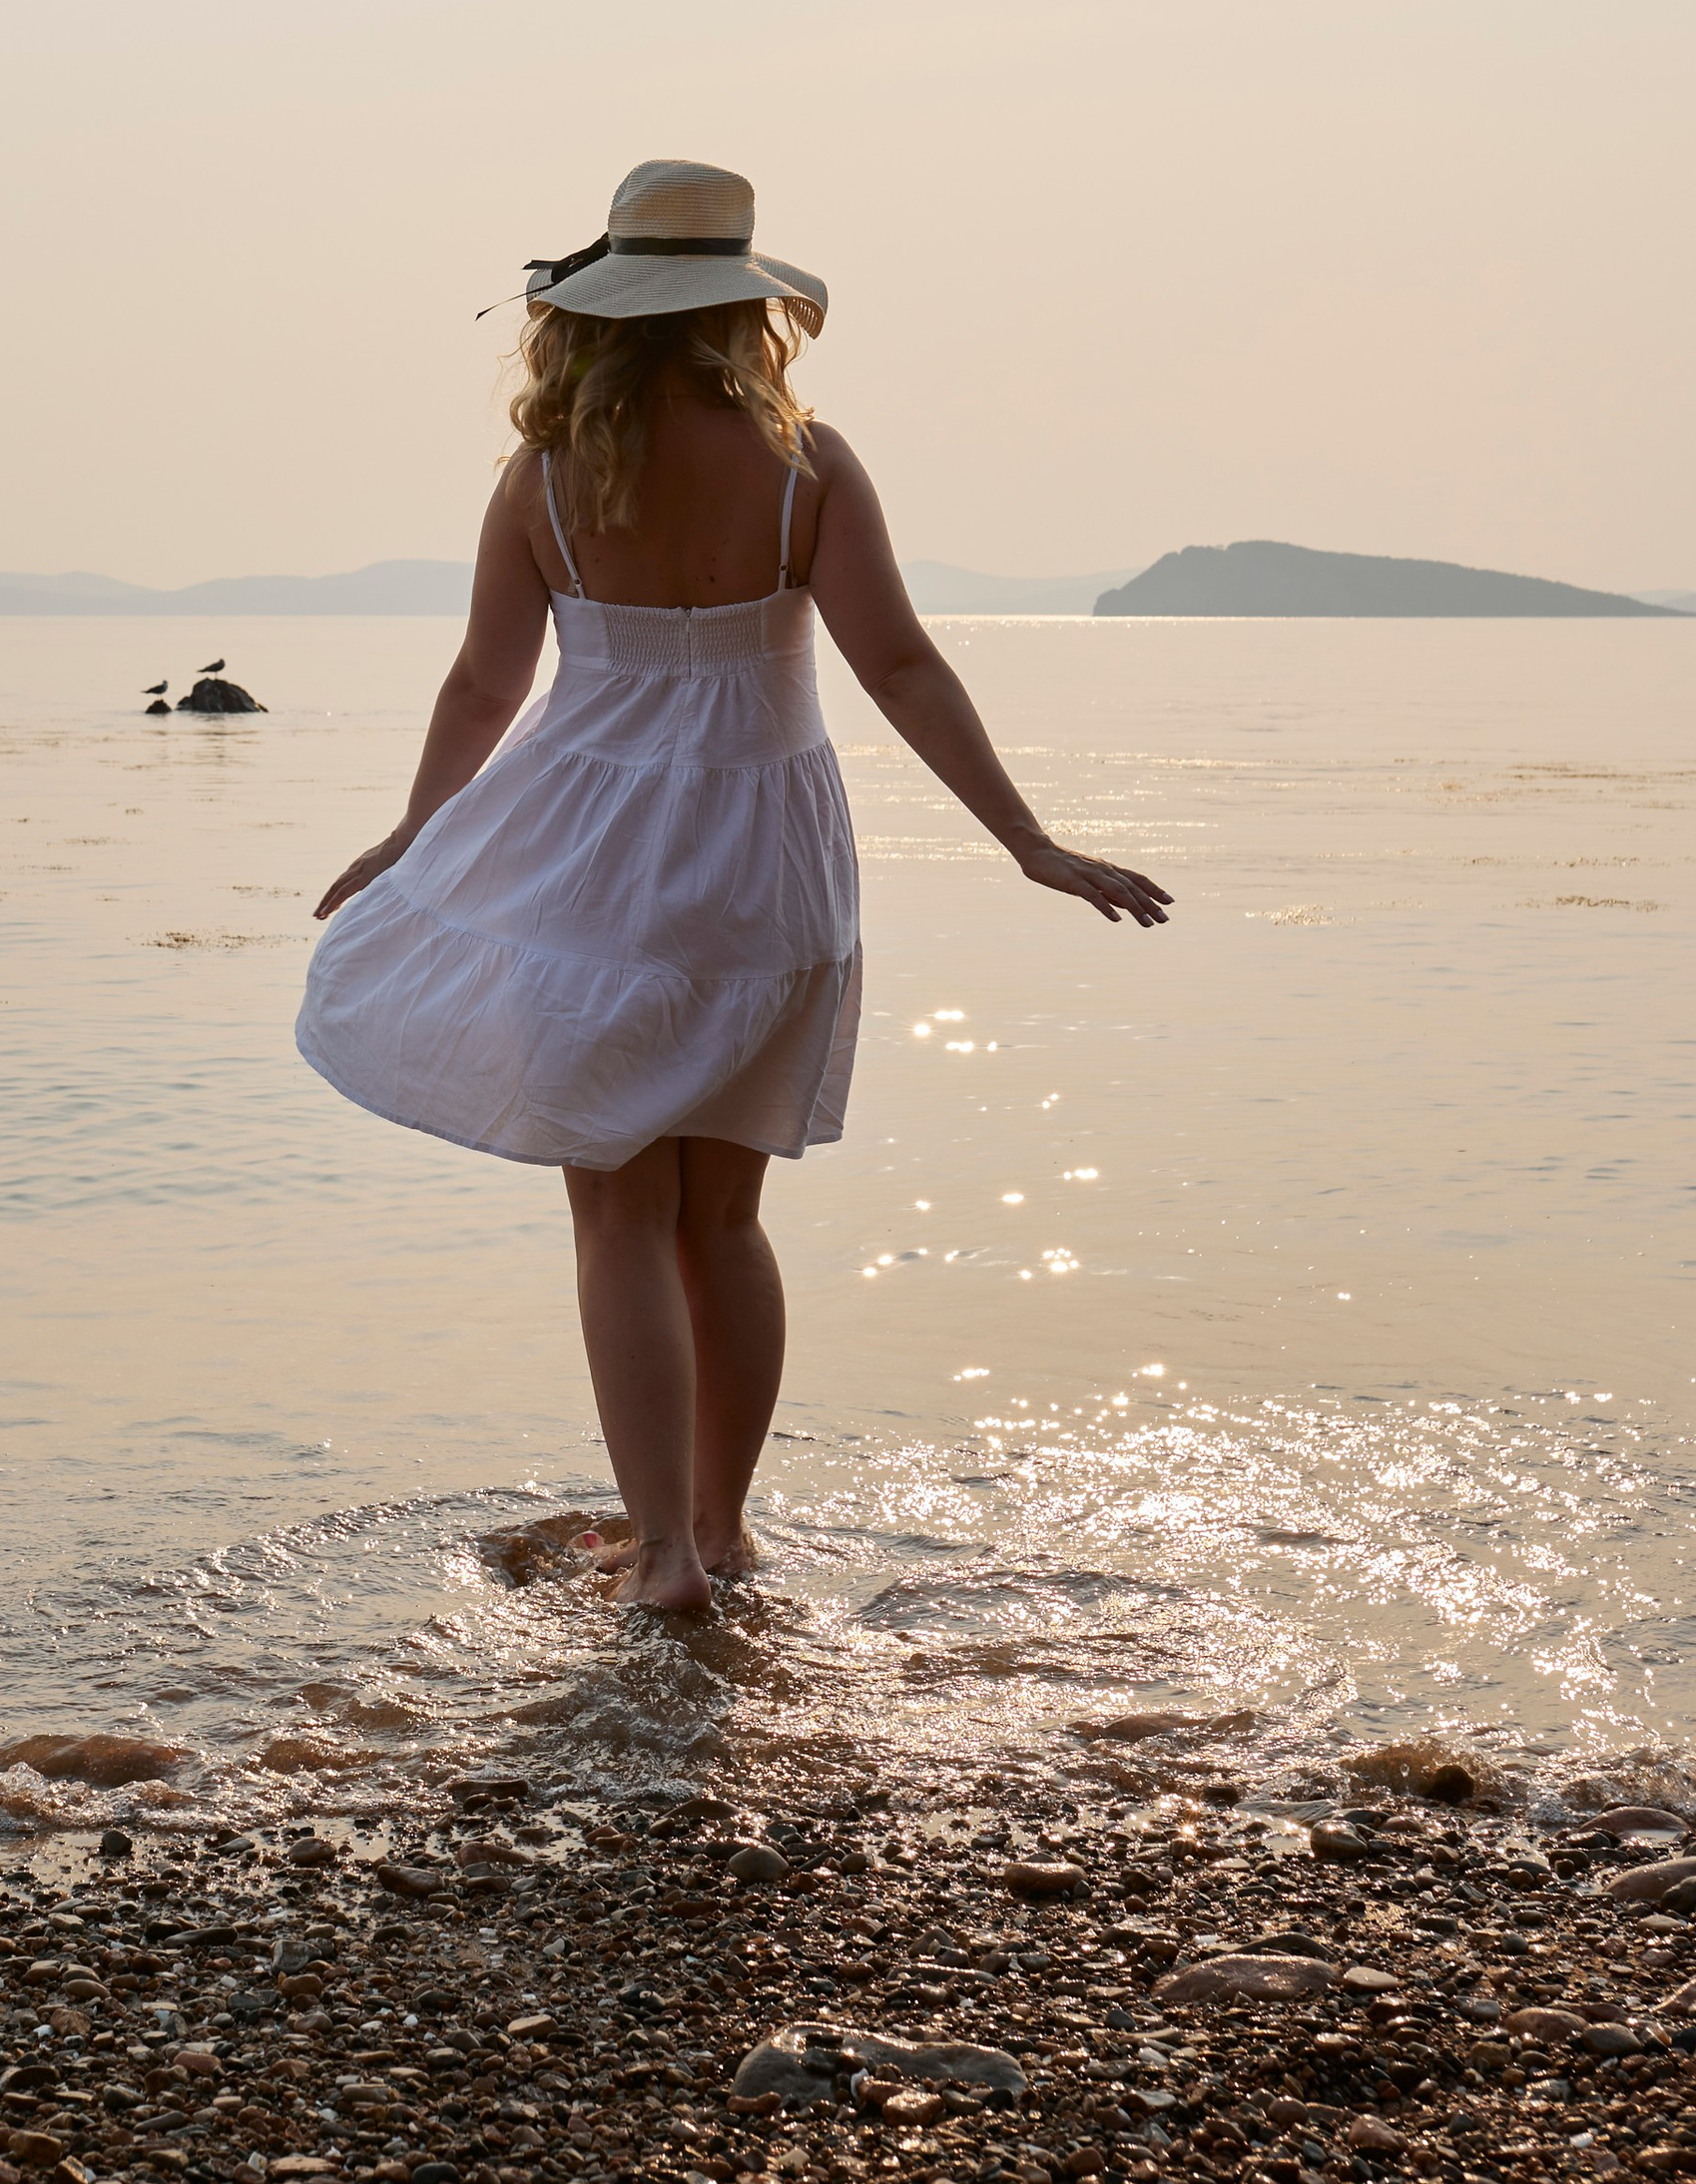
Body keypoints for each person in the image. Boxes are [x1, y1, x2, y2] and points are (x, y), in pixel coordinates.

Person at [296, 158, 1171, 1617]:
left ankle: (661, 1560)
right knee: (724, 1220)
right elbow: (899, 664)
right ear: (740, 308)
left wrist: (412, 836)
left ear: (604, 310)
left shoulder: (548, 476)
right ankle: (728, 1525)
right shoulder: (808, 465)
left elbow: (483, 683)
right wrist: (1027, 840)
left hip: (592, 864)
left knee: (618, 1217)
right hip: (769, 858)